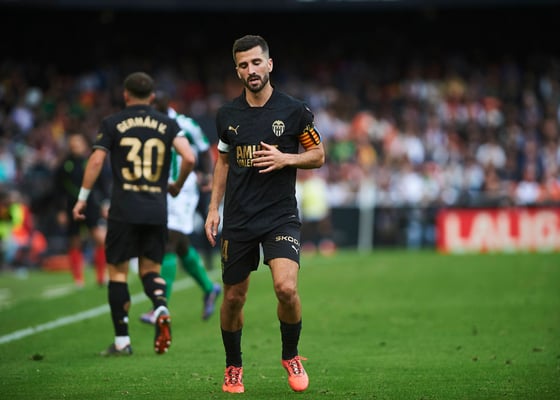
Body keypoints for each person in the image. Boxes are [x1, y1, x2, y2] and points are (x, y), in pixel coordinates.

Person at [204, 35, 325, 393]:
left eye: (256, 62)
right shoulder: (227, 115)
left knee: (286, 288)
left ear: (269, 64)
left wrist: (286, 158)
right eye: (243, 65)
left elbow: (318, 155)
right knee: (233, 298)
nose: (251, 70)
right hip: (239, 218)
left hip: (279, 216)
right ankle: (233, 366)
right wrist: (213, 208)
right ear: (237, 71)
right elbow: (223, 162)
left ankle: (291, 355)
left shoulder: (295, 111)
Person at [72, 71, 195, 356]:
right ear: (152, 97)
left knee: (117, 273)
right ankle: (160, 306)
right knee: (151, 270)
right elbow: (189, 157)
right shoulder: (167, 123)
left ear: (125, 95)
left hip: (123, 209)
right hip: (156, 209)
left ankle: (122, 342)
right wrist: (176, 185)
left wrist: (82, 198)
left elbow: (96, 160)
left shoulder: (112, 123)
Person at [139, 90, 221, 324]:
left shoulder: (186, 124)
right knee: (181, 244)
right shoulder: (150, 126)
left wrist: (207, 175)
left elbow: (204, 150)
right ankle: (209, 288)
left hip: (183, 192)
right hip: (160, 191)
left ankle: (159, 306)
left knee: (168, 241)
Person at [54, 131, 111, 288]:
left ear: (84, 145)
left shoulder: (92, 161)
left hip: (91, 205)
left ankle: (101, 276)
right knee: (74, 242)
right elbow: (58, 190)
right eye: (72, 143)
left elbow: (103, 184)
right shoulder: (65, 165)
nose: (75, 146)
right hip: (72, 207)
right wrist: (60, 210)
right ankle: (78, 279)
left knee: (100, 239)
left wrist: (105, 203)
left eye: (78, 143)